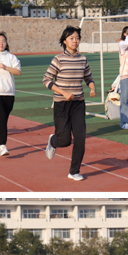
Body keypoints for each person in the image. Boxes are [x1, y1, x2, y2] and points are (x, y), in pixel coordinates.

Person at [43, 26, 96, 181]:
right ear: (64, 41)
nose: (75, 41)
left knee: (80, 139)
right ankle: (53, 141)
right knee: (64, 140)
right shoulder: (58, 59)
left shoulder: (83, 59)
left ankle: (74, 171)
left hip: (78, 104)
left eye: (77, 38)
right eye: (71, 38)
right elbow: (46, 80)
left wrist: (92, 88)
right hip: (61, 104)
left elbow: (89, 78)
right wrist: (64, 93)